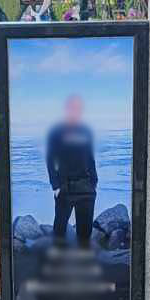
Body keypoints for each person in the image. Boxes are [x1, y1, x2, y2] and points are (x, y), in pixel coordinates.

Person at [45, 93, 98, 246]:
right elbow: (50, 159)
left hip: (86, 188)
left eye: (78, 108)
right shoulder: (57, 132)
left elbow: (90, 158)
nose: (75, 111)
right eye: (72, 107)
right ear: (67, 109)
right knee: (59, 231)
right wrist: (55, 186)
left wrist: (94, 182)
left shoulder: (85, 131)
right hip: (65, 188)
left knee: (84, 235)